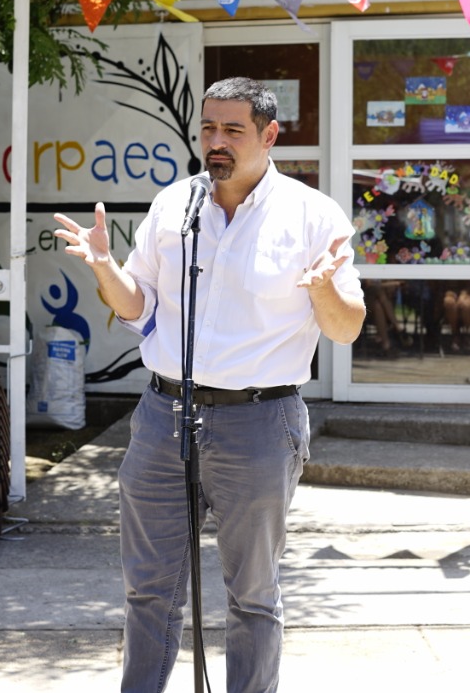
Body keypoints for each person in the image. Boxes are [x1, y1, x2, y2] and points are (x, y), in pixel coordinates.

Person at [53, 76, 366, 693]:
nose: (216, 142)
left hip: (259, 423)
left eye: (233, 130)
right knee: (148, 588)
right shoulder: (176, 206)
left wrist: (325, 287)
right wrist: (104, 268)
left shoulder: (311, 214)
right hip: (162, 414)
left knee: (251, 594)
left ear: (270, 135)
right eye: (208, 128)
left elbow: (347, 329)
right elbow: (137, 306)